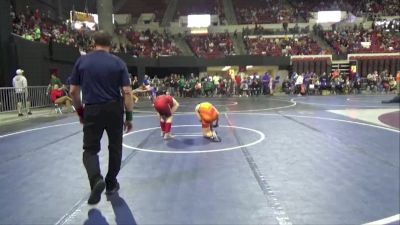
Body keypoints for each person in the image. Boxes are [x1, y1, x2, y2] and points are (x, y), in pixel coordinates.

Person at [69, 31, 134, 205]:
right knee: (115, 147)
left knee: (89, 150)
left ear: (93, 42)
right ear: (111, 44)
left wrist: (80, 111)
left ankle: (96, 179)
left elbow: (73, 91)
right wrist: (129, 116)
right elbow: (127, 92)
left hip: (92, 109)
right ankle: (111, 182)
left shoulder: (82, 61)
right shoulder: (118, 63)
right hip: (114, 109)